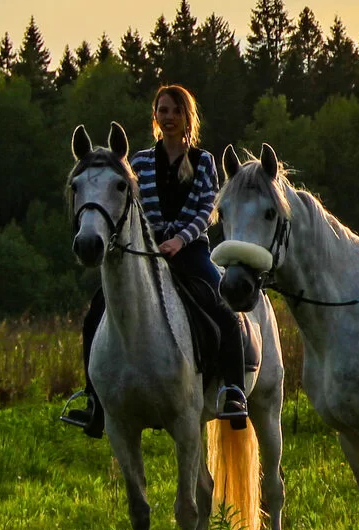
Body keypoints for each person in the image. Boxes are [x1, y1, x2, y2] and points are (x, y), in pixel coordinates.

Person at [63, 85, 254, 437]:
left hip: (191, 250)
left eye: (174, 111)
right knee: (95, 314)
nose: (168, 117)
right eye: (162, 111)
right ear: (156, 117)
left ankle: (233, 392)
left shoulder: (204, 162)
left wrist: (180, 240)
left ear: (186, 118)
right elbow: (134, 210)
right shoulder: (139, 162)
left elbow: (205, 210)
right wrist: (153, 240)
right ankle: (94, 400)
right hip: (148, 252)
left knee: (223, 311)